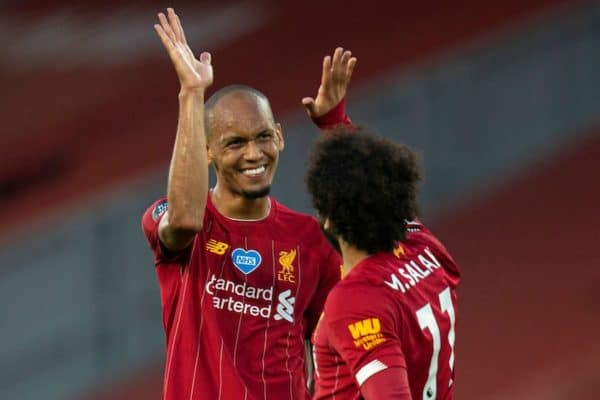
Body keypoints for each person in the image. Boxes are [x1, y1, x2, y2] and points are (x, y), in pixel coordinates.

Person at [141, 8, 356, 400]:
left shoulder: (309, 239)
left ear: (279, 136)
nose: (254, 154)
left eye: (262, 137)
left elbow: (333, 347)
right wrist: (191, 93)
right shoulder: (176, 221)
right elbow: (186, 220)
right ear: (207, 151)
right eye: (235, 143)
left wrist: (338, 125)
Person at [306, 127, 460, 399]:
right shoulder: (422, 245)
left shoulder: (356, 299)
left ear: (328, 217)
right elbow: (374, 180)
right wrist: (335, 121)